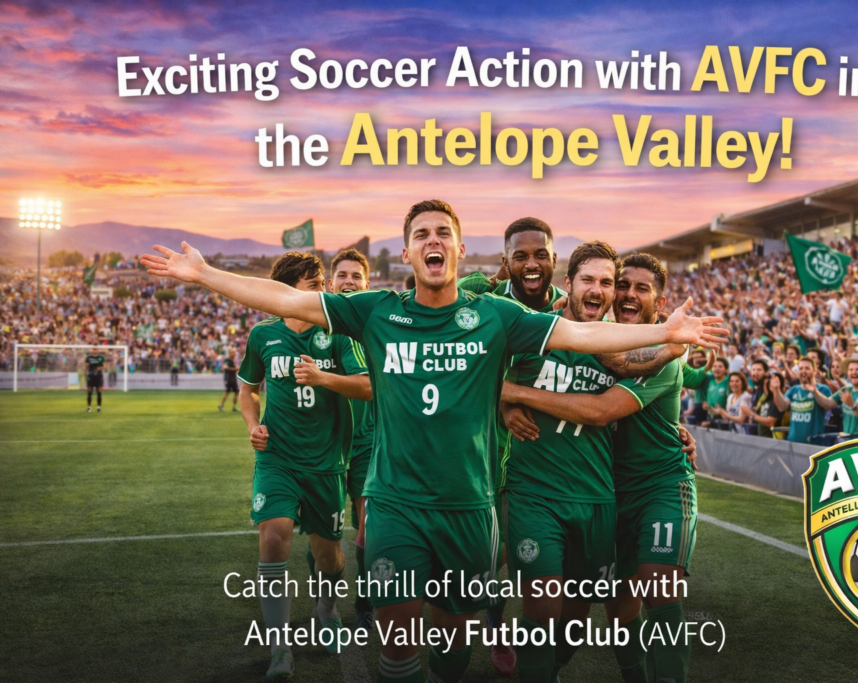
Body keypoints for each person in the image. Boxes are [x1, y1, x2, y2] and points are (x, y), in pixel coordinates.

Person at [142, 200, 727, 683]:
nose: (432, 240)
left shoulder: (495, 316)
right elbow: (289, 300)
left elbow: (577, 332)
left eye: (443, 232)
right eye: (421, 234)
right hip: (396, 502)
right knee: (398, 646)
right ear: (407, 254)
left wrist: (663, 331)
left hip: (471, 510)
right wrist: (204, 275)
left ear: (458, 249)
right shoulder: (375, 311)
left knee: (450, 648)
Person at [501, 253, 705, 683]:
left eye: (640, 288)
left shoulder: (665, 354)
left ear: (659, 302)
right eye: (623, 285)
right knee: (604, 608)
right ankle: (551, 668)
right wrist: (504, 404)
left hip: (658, 486)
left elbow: (600, 411)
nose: (629, 294)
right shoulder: (594, 340)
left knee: (657, 592)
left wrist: (514, 392)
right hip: (607, 491)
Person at [235, 252, 372, 680]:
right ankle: (279, 648)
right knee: (274, 536)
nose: (324, 291)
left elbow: (369, 387)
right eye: (315, 285)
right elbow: (247, 391)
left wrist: (324, 378)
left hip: (326, 463)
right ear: (288, 291)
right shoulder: (262, 335)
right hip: (277, 457)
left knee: (329, 557)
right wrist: (254, 425)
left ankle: (326, 609)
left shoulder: (338, 336)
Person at [458, 216, 566, 674]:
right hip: (486, 450)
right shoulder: (486, 303)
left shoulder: (570, 305)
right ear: (506, 262)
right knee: (491, 554)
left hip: (549, 454)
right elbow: (451, 295)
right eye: (520, 256)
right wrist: (502, 402)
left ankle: (512, 627)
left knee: (525, 560)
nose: (532, 263)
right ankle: (496, 622)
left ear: (554, 258)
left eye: (540, 253)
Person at [327, 248, 376, 631]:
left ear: (367, 283)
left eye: (356, 276)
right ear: (330, 283)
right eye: (342, 275)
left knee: (366, 528)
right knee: (319, 531)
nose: (348, 282)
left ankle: (365, 600)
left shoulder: (375, 325)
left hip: (366, 444)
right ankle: (323, 599)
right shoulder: (312, 328)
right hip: (323, 446)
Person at [815, 355, 858, 438]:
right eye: (851, 370)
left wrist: (853, 405)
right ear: (847, 373)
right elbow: (827, 404)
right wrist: (814, 390)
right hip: (848, 444)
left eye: (857, 369)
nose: (854, 372)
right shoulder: (847, 389)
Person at [774, 357, 831, 444]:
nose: (803, 371)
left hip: (813, 444)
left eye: (807, 368)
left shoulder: (823, 389)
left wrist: (814, 392)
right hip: (792, 442)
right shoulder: (793, 390)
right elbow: (782, 407)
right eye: (801, 368)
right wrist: (776, 390)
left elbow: (827, 406)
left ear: (814, 371)